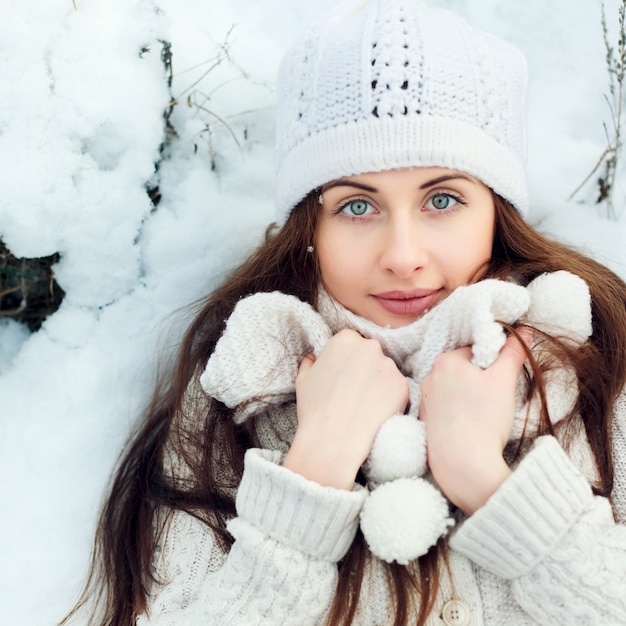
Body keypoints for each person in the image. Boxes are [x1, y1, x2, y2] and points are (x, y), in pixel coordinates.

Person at [64, 0, 626, 624]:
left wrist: (489, 483)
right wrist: (314, 471)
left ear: (497, 213)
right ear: (310, 226)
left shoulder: (595, 369)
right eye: (358, 207)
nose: (404, 256)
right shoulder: (242, 389)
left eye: (442, 198)